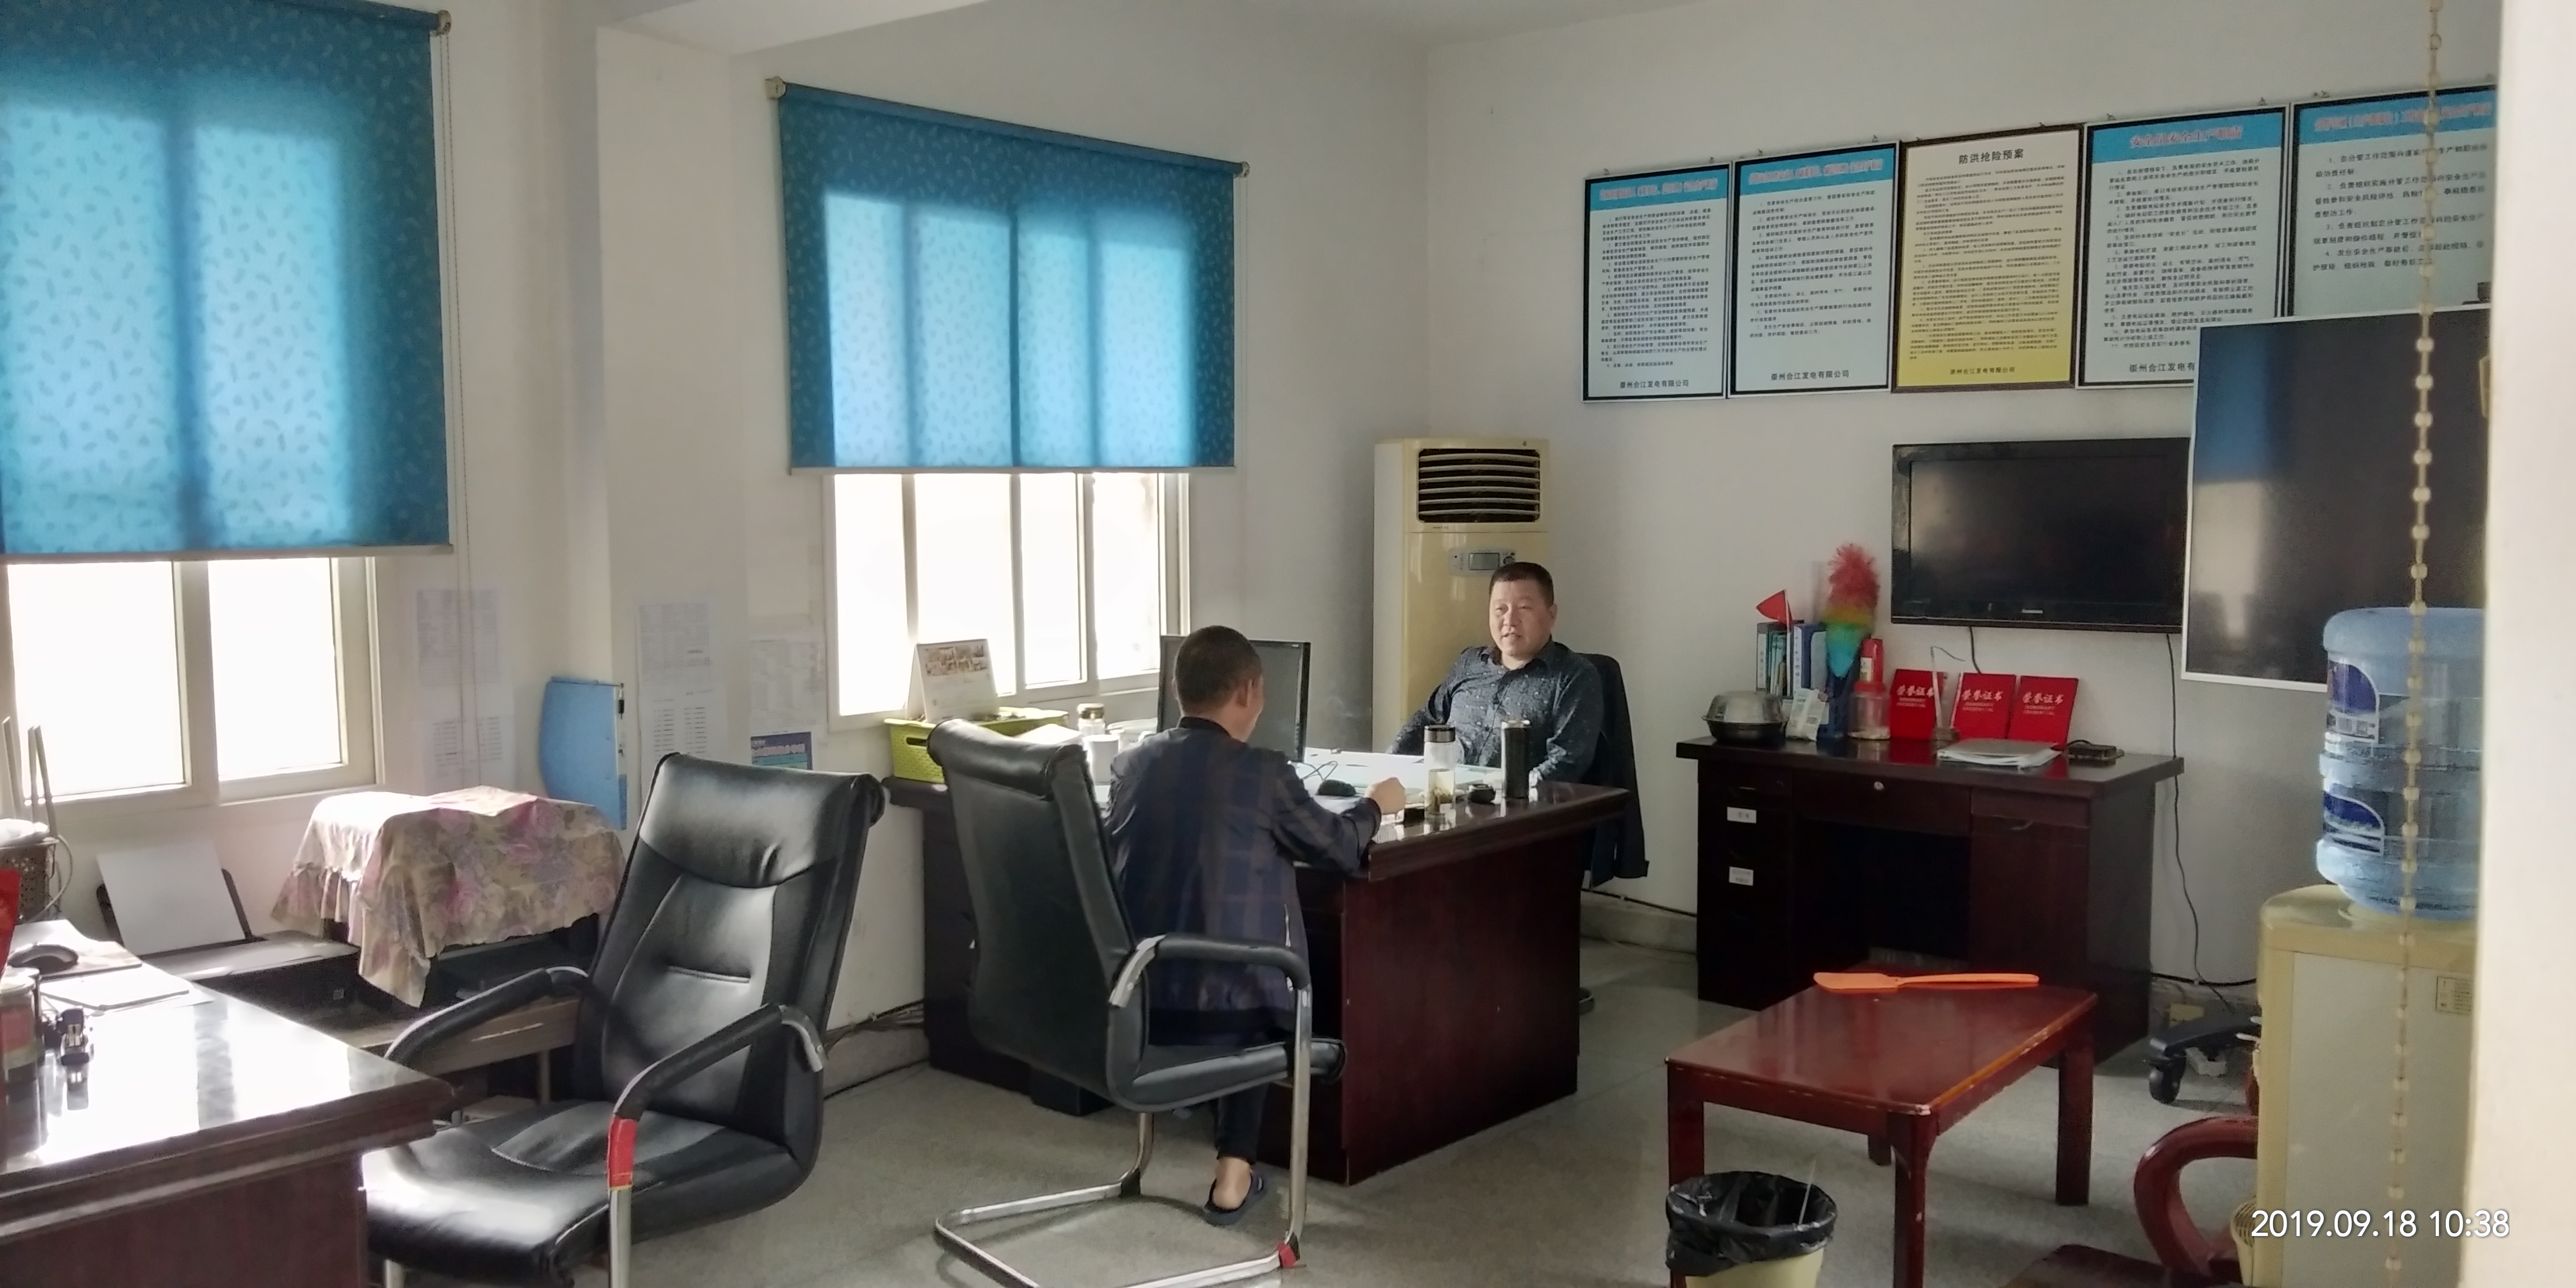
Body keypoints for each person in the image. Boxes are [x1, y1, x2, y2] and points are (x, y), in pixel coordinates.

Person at [1106, 626, 1404, 1224]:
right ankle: (1233, 1174)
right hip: (1231, 1014)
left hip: (1137, 998)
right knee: (1258, 964)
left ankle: (1201, 1132)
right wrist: (1376, 805)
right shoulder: (1265, 773)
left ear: (1179, 689)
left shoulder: (1132, 764)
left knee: (1228, 940)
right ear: (1248, 692)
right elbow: (1337, 847)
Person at [1389, 561, 1604, 783]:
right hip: (1445, 792)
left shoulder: (1574, 677)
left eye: (1524, 608)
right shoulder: (1470, 663)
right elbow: (1429, 718)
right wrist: (1389, 765)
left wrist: (1513, 789)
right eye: (1501, 610)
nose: (1510, 621)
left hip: (1515, 800)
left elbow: (1567, 760)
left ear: (1552, 615)